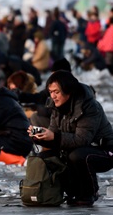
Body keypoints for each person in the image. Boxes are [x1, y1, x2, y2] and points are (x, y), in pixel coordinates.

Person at [29, 70, 113, 206]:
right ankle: (63, 192)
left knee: (77, 155)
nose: (53, 96)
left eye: (56, 92)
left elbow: (82, 139)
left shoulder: (89, 106)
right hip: (77, 148)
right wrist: (39, 136)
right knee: (46, 156)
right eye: (51, 92)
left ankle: (89, 193)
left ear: (68, 90)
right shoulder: (56, 107)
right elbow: (54, 134)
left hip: (104, 150)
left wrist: (54, 136)